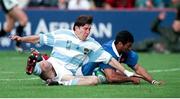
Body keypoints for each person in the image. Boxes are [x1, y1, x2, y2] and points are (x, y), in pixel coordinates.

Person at [10, 15, 140, 86]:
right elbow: (39, 38)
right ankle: (34, 68)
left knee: (94, 80)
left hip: (68, 73)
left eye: (90, 29)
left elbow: (109, 59)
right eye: (85, 28)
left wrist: (126, 72)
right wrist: (21, 39)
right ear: (76, 28)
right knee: (45, 64)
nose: (88, 32)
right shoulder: (62, 34)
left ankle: (55, 81)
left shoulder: (92, 44)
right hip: (54, 64)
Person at [79, 30, 161, 85]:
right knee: (108, 77)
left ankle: (100, 71)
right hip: (83, 73)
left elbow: (138, 68)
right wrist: (131, 79)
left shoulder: (125, 51)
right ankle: (98, 72)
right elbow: (111, 78)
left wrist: (153, 81)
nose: (130, 49)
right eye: (128, 46)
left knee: (122, 72)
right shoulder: (108, 51)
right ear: (120, 44)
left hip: (102, 69)